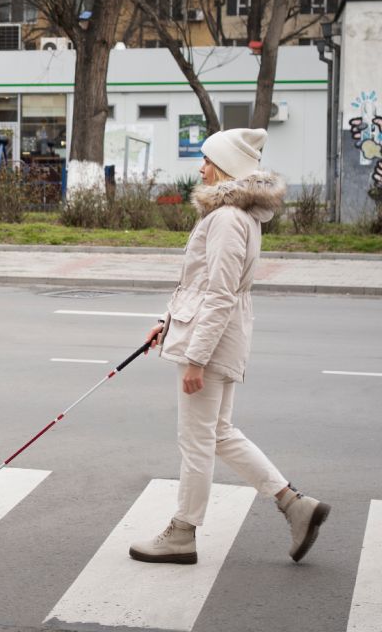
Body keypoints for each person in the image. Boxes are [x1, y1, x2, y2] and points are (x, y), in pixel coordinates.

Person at [129, 128, 331, 565]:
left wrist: (196, 358)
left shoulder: (224, 220)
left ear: (223, 168)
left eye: (206, 160)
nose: (200, 168)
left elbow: (219, 295)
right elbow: (201, 286)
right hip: (221, 336)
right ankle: (294, 504)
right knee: (218, 433)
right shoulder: (236, 217)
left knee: (196, 441)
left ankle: (182, 533)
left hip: (213, 344)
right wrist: (165, 322)